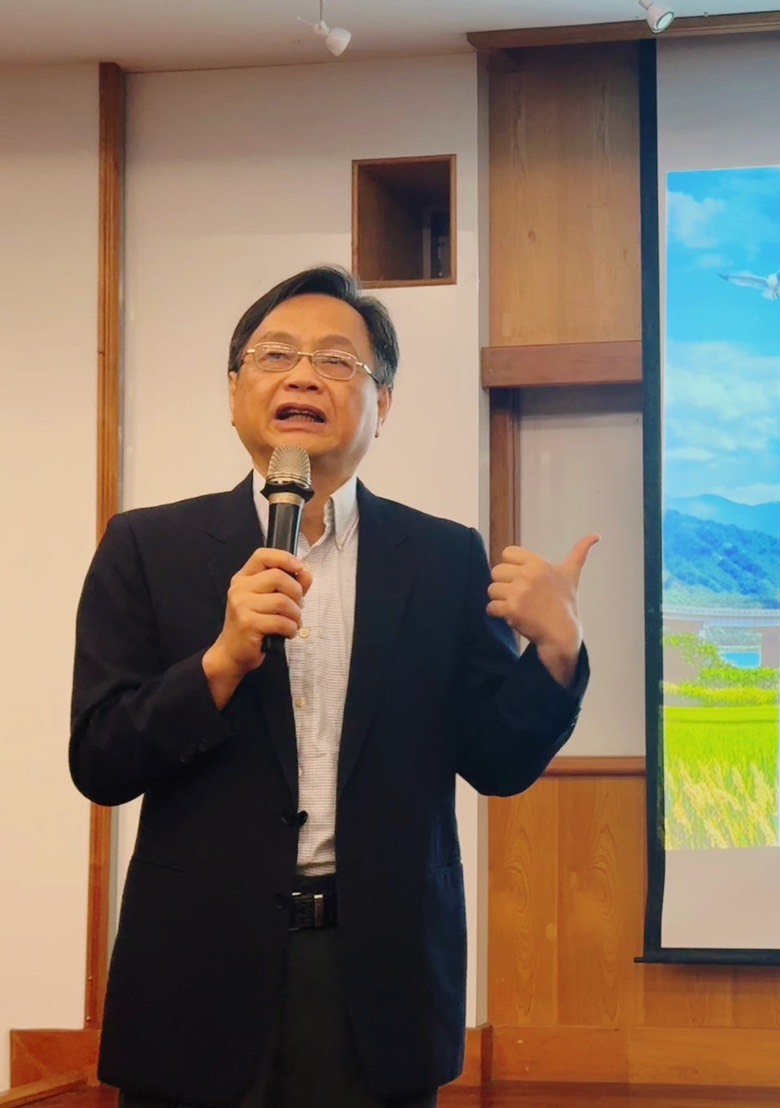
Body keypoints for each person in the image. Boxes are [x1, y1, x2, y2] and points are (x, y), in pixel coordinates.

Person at [69, 266, 596, 1107]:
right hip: (195, 976)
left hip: (380, 979)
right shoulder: (146, 547)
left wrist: (558, 651)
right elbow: (101, 760)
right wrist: (219, 663)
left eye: (336, 361)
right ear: (235, 391)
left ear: (381, 404)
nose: (303, 375)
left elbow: (496, 761)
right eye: (275, 355)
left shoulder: (442, 557)